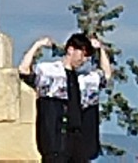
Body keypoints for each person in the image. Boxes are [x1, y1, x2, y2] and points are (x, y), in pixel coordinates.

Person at [18, 31, 113, 162]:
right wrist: (37, 45)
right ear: (71, 49)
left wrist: (101, 50)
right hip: (55, 139)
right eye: (83, 54)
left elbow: (106, 76)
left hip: (80, 141)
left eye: (87, 57)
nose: (84, 60)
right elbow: (24, 70)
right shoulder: (49, 72)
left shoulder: (86, 78)